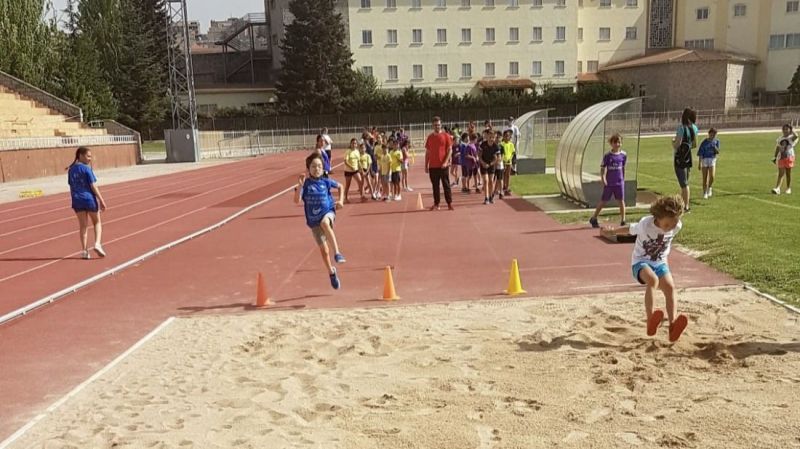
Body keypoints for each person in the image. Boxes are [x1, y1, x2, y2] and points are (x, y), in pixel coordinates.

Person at [604, 194, 688, 342]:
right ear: (658, 218)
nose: (670, 228)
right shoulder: (645, 224)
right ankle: (650, 320)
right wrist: (613, 231)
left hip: (660, 263)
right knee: (653, 280)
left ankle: (673, 325)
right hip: (640, 262)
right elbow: (630, 229)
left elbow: (672, 230)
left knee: (670, 288)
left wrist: (673, 226)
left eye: (674, 224)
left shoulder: (677, 226)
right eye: (667, 225)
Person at [294, 152, 345, 289]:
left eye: (319, 166)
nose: (316, 169)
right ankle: (331, 272)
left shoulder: (326, 182)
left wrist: (340, 200)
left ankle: (338, 253)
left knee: (325, 223)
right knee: (324, 251)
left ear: (323, 169)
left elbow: (340, 186)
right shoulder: (305, 185)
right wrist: (300, 185)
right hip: (313, 221)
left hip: (328, 212)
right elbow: (296, 201)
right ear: (308, 169)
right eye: (313, 166)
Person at [67, 147, 107, 260]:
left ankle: (84, 251)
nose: (90, 158)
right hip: (89, 199)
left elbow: (71, 186)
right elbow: (93, 185)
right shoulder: (86, 169)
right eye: (88, 156)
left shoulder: (71, 170)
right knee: (97, 222)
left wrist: (74, 199)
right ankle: (97, 243)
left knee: (83, 226)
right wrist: (101, 200)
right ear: (80, 155)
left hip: (77, 200)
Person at [589, 133, 627, 227]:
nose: (617, 144)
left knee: (621, 200)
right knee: (604, 200)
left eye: (619, 142)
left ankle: (623, 219)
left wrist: (623, 179)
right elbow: (602, 168)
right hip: (610, 182)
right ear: (611, 143)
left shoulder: (623, 155)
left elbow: (623, 167)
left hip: (619, 182)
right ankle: (594, 217)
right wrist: (603, 179)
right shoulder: (608, 156)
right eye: (615, 142)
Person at [424, 116, 454, 210]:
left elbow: (450, 150)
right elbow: (428, 152)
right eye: (435, 125)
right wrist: (426, 165)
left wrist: (445, 162)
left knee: (446, 185)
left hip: (443, 166)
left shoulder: (446, 136)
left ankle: (449, 203)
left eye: (439, 125)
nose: (437, 126)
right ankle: (436, 203)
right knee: (435, 186)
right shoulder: (430, 137)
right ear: (432, 125)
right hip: (433, 166)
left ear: (441, 125)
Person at [672, 108, 698, 212]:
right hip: (688, 157)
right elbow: (695, 144)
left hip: (680, 158)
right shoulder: (695, 128)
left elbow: (677, 144)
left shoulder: (681, 128)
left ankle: (686, 206)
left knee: (684, 184)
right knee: (685, 181)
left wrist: (672, 142)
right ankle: (683, 204)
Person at [772, 124, 797, 195]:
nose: (785, 131)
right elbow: (778, 148)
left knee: (788, 173)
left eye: (787, 129)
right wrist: (775, 157)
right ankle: (777, 188)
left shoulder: (791, 138)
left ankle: (788, 188)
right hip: (781, 158)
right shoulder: (780, 138)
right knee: (781, 173)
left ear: (790, 130)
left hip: (789, 157)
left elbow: (796, 136)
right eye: (784, 129)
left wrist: (792, 130)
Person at [479, 130, 501, 204]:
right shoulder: (483, 144)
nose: (491, 139)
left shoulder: (496, 146)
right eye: (490, 137)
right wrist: (483, 163)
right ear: (487, 136)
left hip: (491, 165)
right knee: (485, 180)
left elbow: (498, 158)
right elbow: (479, 155)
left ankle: (491, 196)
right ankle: (486, 198)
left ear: (495, 138)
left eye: (493, 137)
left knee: (491, 181)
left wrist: (491, 163)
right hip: (484, 164)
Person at [697, 128, 720, 199]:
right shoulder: (704, 142)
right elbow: (700, 153)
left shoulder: (716, 141)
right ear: (709, 134)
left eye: (714, 134)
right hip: (705, 159)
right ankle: (705, 192)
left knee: (712, 176)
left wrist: (714, 147)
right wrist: (699, 163)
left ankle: (709, 187)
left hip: (712, 159)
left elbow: (718, 151)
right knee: (705, 177)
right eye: (711, 134)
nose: (712, 136)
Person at [342, 138, 363, 203]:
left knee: (360, 181)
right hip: (348, 171)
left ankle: (362, 196)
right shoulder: (348, 151)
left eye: (355, 143)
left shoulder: (357, 151)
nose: (354, 144)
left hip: (355, 170)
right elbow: (345, 161)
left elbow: (358, 161)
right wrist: (351, 167)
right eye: (353, 143)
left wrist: (361, 168)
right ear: (350, 144)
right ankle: (345, 198)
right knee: (348, 185)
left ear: (357, 145)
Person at [499, 129, 516, 196]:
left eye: (508, 136)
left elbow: (513, 153)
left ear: (510, 137)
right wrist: (503, 160)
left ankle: (507, 187)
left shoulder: (511, 144)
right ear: (503, 136)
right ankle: (503, 187)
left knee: (508, 175)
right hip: (503, 162)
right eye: (505, 136)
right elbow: (500, 153)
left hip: (509, 162)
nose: (507, 137)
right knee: (502, 175)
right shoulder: (501, 144)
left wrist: (510, 159)